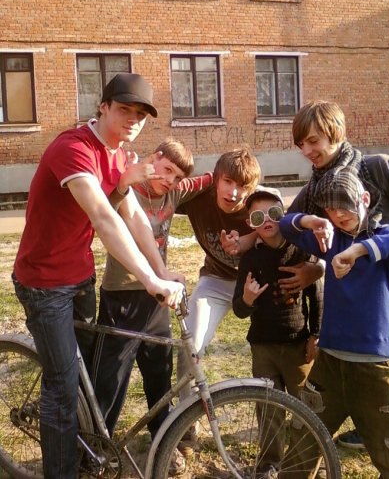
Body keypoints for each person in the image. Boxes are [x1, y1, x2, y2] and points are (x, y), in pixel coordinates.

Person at [12, 72, 184, 479]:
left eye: (141, 114)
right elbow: (104, 218)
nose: (133, 120)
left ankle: (84, 447)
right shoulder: (73, 149)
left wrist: (161, 270)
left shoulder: (120, 155)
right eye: (125, 109)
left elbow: (135, 217)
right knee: (62, 388)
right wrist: (149, 281)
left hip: (80, 278)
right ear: (103, 107)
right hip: (44, 285)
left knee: (85, 375)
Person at [289, 100, 389, 448]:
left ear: (336, 133)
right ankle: (370, 432)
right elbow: (289, 224)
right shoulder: (315, 190)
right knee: (369, 382)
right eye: (301, 144)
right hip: (363, 306)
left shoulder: (378, 168)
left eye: (313, 140)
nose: (307, 151)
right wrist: (315, 267)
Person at [280, 167, 389, 478]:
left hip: (373, 368)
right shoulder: (331, 239)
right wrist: (313, 222)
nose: (338, 215)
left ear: (364, 199)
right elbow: (285, 226)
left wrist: (358, 251)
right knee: (303, 439)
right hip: (329, 364)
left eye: (345, 207)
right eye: (330, 209)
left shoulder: (384, 239)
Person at [175, 147, 324, 454]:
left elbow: (302, 236)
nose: (233, 193)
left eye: (242, 186)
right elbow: (160, 195)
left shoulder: (264, 205)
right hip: (217, 280)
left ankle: (306, 426)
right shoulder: (198, 197)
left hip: (263, 282)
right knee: (189, 348)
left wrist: (316, 269)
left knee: (289, 355)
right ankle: (186, 429)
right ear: (216, 179)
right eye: (227, 182)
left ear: (253, 187)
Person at [90, 139, 212, 474]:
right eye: (166, 170)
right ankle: (98, 444)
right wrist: (125, 179)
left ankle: (162, 439)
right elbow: (105, 205)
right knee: (111, 377)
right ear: (153, 159)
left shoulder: (173, 192)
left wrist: (249, 186)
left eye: (177, 176)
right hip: (122, 295)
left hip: (158, 297)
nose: (169, 180)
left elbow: (210, 179)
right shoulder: (128, 189)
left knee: (159, 371)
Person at [233, 187, 323, 477]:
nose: (267, 220)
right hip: (263, 348)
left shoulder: (300, 250)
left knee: (304, 408)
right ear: (250, 224)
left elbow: (317, 296)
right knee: (268, 408)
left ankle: (304, 463)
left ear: (284, 216)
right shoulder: (250, 259)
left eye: (273, 213)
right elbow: (239, 309)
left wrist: (316, 335)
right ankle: (269, 463)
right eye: (257, 217)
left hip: (298, 345)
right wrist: (247, 298)